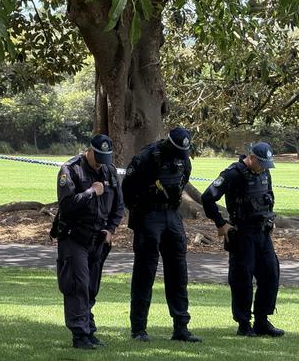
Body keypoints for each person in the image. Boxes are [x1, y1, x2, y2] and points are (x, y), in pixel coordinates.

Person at [122, 127, 201, 343]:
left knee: (178, 271)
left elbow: (182, 180)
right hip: (148, 216)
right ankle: (139, 329)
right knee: (145, 272)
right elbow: (127, 190)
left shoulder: (183, 159)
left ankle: (181, 327)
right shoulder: (147, 157)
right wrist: (142, 212)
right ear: (168, 144)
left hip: (171, 215)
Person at [201, 142, 284, 338]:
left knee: (271, 275)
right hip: (242, 233)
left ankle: (262, 321)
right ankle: (243, 323)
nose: (264, 167)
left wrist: (270, 219)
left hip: (263, 233)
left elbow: (267, 197)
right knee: (242, 280)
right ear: (251, 158)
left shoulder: (264, 173)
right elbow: (207, 198)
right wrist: (221, 223)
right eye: (262, 163)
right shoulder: (232, 174)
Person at [55, 134, 124, 349]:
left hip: (99, 240)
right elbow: (66, 205)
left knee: (91, 287)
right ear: (90, 150)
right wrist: (91, 192)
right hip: (74, 237)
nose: (102, 162)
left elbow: (118, 206)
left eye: (107, 157)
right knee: (78, 285)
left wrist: (111, 229)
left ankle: (89, 329)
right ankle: (80, 335)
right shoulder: (71, 169)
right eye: (99, 156)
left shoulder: (109, 171)